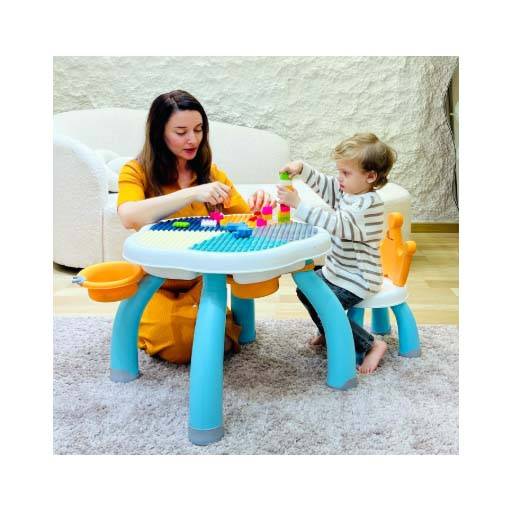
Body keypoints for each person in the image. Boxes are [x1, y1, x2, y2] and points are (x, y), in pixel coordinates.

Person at [117, 90, 274, 364]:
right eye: (181, 132)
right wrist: (191, 194)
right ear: (159, 133)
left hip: (203, 282)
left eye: (199, 130)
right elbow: (129, 216)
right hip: (157, 283)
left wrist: (262, 205)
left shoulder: (211, 173)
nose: (192, 139)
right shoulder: (135, 171)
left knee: (210, 340)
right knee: (180, 345)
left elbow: (247, 219)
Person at [276, 133, 396, 374]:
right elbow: (327, 186)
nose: (339, 178)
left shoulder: (367, 206)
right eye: (339, 171)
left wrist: (299, 205)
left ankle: (371, 345)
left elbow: (338, 224)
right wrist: (302, 168)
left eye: (346, 173)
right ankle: (330, 330)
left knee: (323, 302)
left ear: (370, 176)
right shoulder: (350, 192)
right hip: (338, 271)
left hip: (358, 278)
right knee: (305, 290)